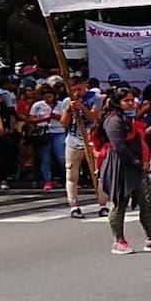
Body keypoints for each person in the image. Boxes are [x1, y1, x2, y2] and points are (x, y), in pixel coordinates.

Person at [94, 87, 151, 255]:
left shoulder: (130, 121)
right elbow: (119, 147)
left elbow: (140, 136)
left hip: (135, 166)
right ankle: (118, 241)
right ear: (118, 103)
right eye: (126, 101)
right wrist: (138, 163)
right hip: (120, 165)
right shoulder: (113, 121)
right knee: (119, 202)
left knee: (147, 200)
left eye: (132, 100)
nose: (131, 103)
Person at [61, 77, 105, 219]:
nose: (76, 92)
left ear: (85, 86)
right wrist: (68, 110)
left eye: (79, 89)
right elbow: (64, 123)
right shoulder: (67, 101)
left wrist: (83, 108)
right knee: (72, 175)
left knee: (98, 174)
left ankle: (103, 204)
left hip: (92, 141)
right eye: (73, 90)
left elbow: (94, 117)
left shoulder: (95, 98)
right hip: (73, 141)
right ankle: (74, 206)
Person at [28, 85, 66, 191]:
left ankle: (66, 179)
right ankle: (47, 180)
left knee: (61, 157)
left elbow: (67, 116)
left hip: (59, 132)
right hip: (44, 132)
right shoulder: (38, 105)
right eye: (46, 97)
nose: (48, 99)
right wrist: (45, 118)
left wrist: (59, 117)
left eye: (50, 96)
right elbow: (30, 119)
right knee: (45, 158)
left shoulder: (61, 104)